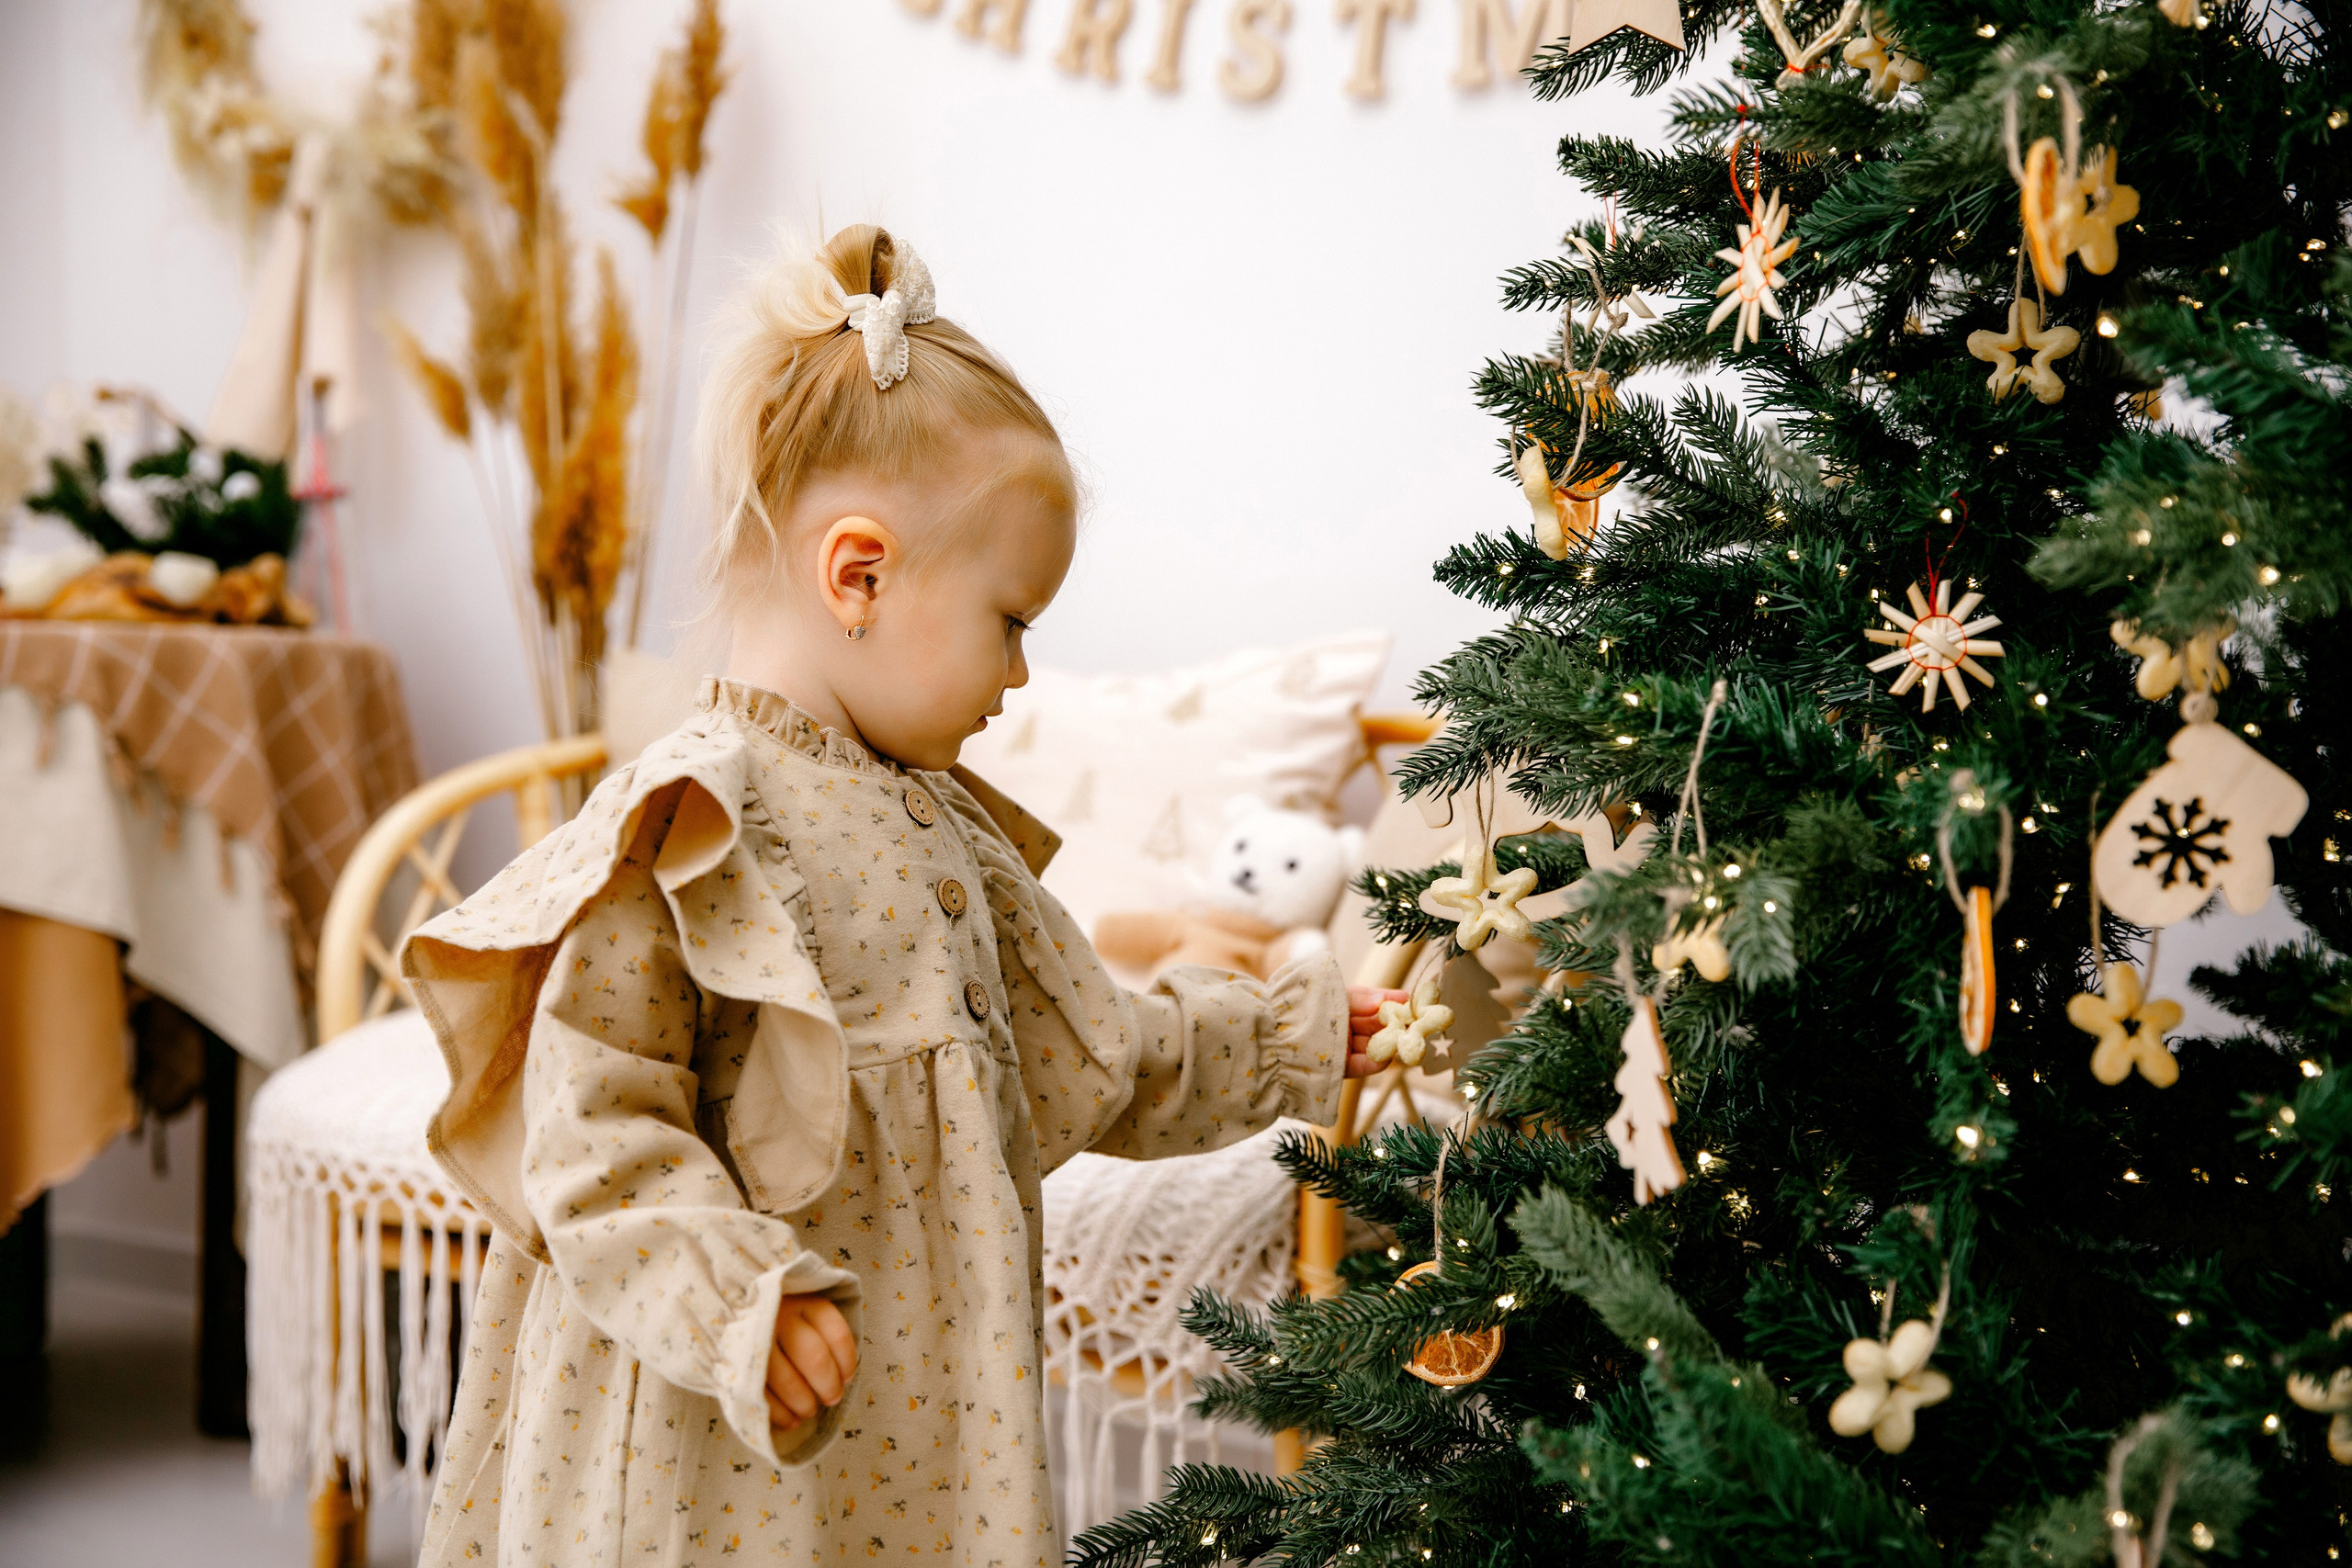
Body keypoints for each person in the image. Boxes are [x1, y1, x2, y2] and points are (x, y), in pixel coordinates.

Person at [401, 225, 1398, 1565]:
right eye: (1011, 622)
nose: (1020, 677)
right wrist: (739, 1299)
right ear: (859, 575)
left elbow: (1096, 1051)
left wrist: (1289, 1034)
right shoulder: (687, 823)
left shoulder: (943, 833)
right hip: (726, 1445)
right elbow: (593, 1135)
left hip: (926, 1438)